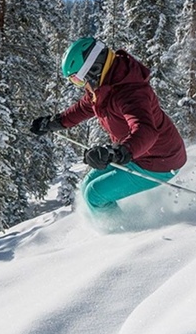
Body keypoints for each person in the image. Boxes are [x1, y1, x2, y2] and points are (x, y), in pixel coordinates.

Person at [31, 37, 187, 212]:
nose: (79, 85)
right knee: (86, 186)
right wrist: (53, 123)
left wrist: (117, 152)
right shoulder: (105, 85)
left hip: (159, 160)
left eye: (77, 79)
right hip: (136, 153)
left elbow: (146, 131)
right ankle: (114, 225)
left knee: (94, 195)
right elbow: (84, 107)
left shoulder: (130, 93)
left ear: (93, 68)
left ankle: (123, 235)